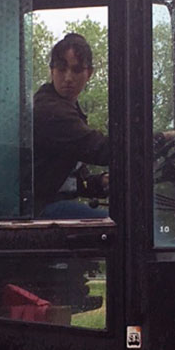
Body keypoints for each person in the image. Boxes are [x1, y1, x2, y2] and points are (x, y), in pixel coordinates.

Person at [33, 33, 109, 219]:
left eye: (76, 70)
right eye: (61, 68)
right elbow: (101, 150)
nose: (68, 77)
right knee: (129, 225)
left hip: (55, 203)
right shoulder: (50, 111)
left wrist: (103, 182)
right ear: (51, 70)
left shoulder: (71, 110)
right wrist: (163, 138)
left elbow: (75, 182)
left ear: (89, 73)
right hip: (38, 210)